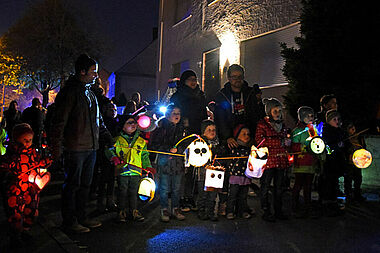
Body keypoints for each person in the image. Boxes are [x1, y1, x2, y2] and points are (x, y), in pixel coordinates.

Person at [50, 54, 113, 233]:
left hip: (90, 148)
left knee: (85, 185)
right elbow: (59, 121)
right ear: (82, 71)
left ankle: (82, 217)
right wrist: (56, 147)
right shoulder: (70, 93)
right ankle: (69, 221)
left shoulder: (91, 94)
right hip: (75, 148)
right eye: (93, 71)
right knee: (72, 185)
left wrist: (107, 137)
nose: (96, 75)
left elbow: (98, 121)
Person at [0, 123, 51, 246]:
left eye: (29, 140)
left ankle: (25, 230)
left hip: (30, 188)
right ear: (16, 139)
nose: (27, 143)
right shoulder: (12, 154)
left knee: (31, 210)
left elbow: (39, 163)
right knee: (15, 212)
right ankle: (15, 235)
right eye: (24, 140)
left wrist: (47, 162)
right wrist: (8, 174)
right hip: (15, 189)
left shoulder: (33, 153)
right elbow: (3, 166)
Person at [105, 114, 155, 222]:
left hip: (136, 171)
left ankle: (133, 211)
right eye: (129, 122)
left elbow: (144, 155)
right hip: (122, 170)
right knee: (122, 191)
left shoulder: (141, 141)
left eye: (134, 122)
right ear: (123, 126)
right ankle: (121, 212)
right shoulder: (117, 140)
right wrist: (113, 157)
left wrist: (148, 167)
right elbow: (109, 149)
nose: (133, 124)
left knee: (134, 191)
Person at [170, 70, 208, 211]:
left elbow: (203, 113)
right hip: (182, 135)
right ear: (184, 81)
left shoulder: (200, 95)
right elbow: (172, 113)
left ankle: (191, 196)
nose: (193, 82)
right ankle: (180, 197)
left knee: (195, 167)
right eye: (190, 79)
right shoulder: (178, 96)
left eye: (195, 79)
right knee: (183, 168)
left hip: (197, 133)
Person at [149, 105, 187, 222]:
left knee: (176, 188)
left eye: (178, 113)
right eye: (174, 113)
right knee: (164, 187)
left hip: (178, 162)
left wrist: (179, 150)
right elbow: (154, 144)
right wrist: (167, 150)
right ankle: (164, 208)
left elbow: (186, 144)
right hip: (165, 161)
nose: (176, 116)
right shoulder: (161, 128)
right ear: (168, 115)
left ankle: (176, 208)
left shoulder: (183, 129)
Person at [255, 98, 291, 222]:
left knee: (279, 187)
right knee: (265, 186)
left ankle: (278, 210)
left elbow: (285, 140)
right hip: (268, 161)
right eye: (275, 111)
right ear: (269, 111)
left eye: (279, 111)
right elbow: (260, 141)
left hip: (280, 160)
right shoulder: (262, 124)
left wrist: (287, 142)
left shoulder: (283, 125)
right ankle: (266, 210)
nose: (278, 113)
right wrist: (278, 141)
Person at [214, 64, 259, 149]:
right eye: (234, 77)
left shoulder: (250, 93)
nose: (237, 79)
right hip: (230, 141)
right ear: (229, 78)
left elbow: (255, 115)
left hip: (249, 138)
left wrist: (253, 135)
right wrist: (227, 137)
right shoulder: (222, 95)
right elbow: (220, 118)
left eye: (240, 76)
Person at [196, 120, 226, 221]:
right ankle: (201, 210)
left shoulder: (219, 143)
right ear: (203, 131)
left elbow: (222, 154)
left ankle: (211, 211)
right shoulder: (200, 143)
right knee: (203, 194)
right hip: (203, 173)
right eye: (209, 130)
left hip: (215, 173)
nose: (212, 132)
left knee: (213, 194)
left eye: (213, 130)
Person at [291, 106, 317, 218]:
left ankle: (307, 205)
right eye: (308, 116)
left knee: (308, 185)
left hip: (310, 161)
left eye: (312, 116)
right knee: (298, 184)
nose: (311, 118)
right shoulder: (297, 131)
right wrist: (304, 148)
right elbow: (294, 146)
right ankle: (295, 205)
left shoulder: (312, 129)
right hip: (301, 162)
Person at [321, 109, 346, 216]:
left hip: (337, 160)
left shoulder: (339, 131)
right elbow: (327, 146)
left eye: (337, 119)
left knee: (335, 182)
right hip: (330, 162)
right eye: (334, 119)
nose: (336, 121)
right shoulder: (327, 131)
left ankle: (334, 202)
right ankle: (328, 203)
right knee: (329, 182)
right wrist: (336, 146)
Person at [226, 124, 253, 220]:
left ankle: (242, 211)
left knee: (243, 196)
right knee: (232, 195)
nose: (246, 136)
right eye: (243, 134)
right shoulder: (233, 147)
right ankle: (229, 211)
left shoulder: (250, 148)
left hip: (246, 176)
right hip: (235, 176)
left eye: (248, 134)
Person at [344, 121, 366, 202]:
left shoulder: (360, 138)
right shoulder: (346, 138)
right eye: (350, 128)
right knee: (348, 179)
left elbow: (364, 148)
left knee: (358, 178)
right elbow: (344, 149)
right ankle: (348, 194)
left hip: (358, 162)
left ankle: (357, 194)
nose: (353, 129)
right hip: (349, 162)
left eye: (353, 127)